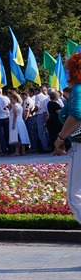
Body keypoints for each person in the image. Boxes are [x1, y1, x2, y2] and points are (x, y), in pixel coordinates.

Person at [54, 54, 81, 224]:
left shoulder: (78, 89)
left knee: (75, 196)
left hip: (80, 143)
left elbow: (77, 115)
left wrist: (60, 138)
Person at [8, 90, 30, 155]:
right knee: (22, 135)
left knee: (16, 136)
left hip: (16, 122)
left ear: (15, 99)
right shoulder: (19, 105)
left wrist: (13, 124)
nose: (10, 100)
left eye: (11, 99)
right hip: (21, 121)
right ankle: (23, 151)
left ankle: (17, 151)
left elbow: (15, 115)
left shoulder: (15, 106)